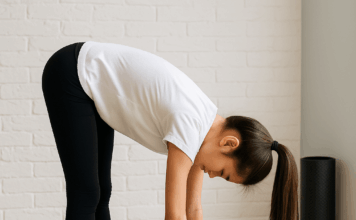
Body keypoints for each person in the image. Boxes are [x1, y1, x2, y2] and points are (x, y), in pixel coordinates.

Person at [42, 41, 299, 220]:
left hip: (93, 88)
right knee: (87, 192)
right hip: (73, 73)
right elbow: (174, 216)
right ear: (229, 144)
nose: (212, 175)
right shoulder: (190, 124)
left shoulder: (205, 133)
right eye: (222, 172)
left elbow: (193, 210)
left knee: (102, 190)